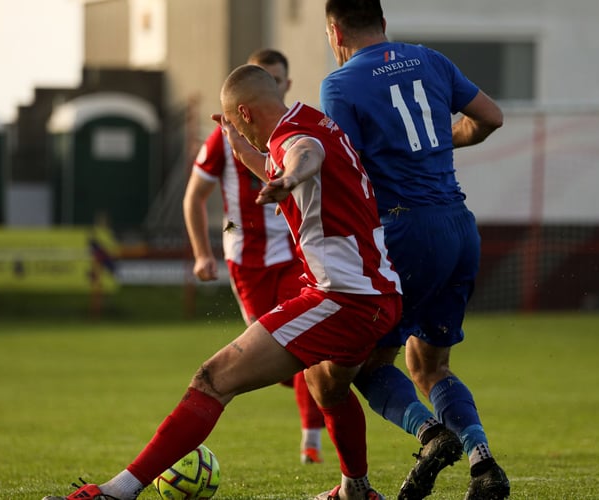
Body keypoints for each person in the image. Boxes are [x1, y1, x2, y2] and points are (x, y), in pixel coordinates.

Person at [44, 64, 402, 500]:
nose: (238, 133)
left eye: (235, 124)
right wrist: (244, 151)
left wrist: (289, 178)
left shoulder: (297, 139)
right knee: (327, 384)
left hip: (342, 299)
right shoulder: (309, 119)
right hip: (374, 293)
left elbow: (304, 154)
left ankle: (117, 493)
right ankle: (356, 490)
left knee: (212, 379)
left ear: (246, 114)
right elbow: (291, 153)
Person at [320, 1, 509, 499]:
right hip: (459, 225)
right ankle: (482, 462)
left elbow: (345, 170)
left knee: (361, 368)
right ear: (383, 24)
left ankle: (430, 435)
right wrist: (441, 144)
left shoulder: (339, 84)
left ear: (334, 32)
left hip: (404, 232)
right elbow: (490, 117)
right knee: (428, 365)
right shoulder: (429, 59)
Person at [183, 48, 325, 465]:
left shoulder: (297, 131)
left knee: (306, 346)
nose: (270, 88)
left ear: (285, 86)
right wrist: (201, 254)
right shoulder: (222, 139)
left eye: (276, 81)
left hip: (295, 256)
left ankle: (311, 445)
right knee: (280, 360)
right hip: (246, 259)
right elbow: (194, 198)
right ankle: (309, 401)